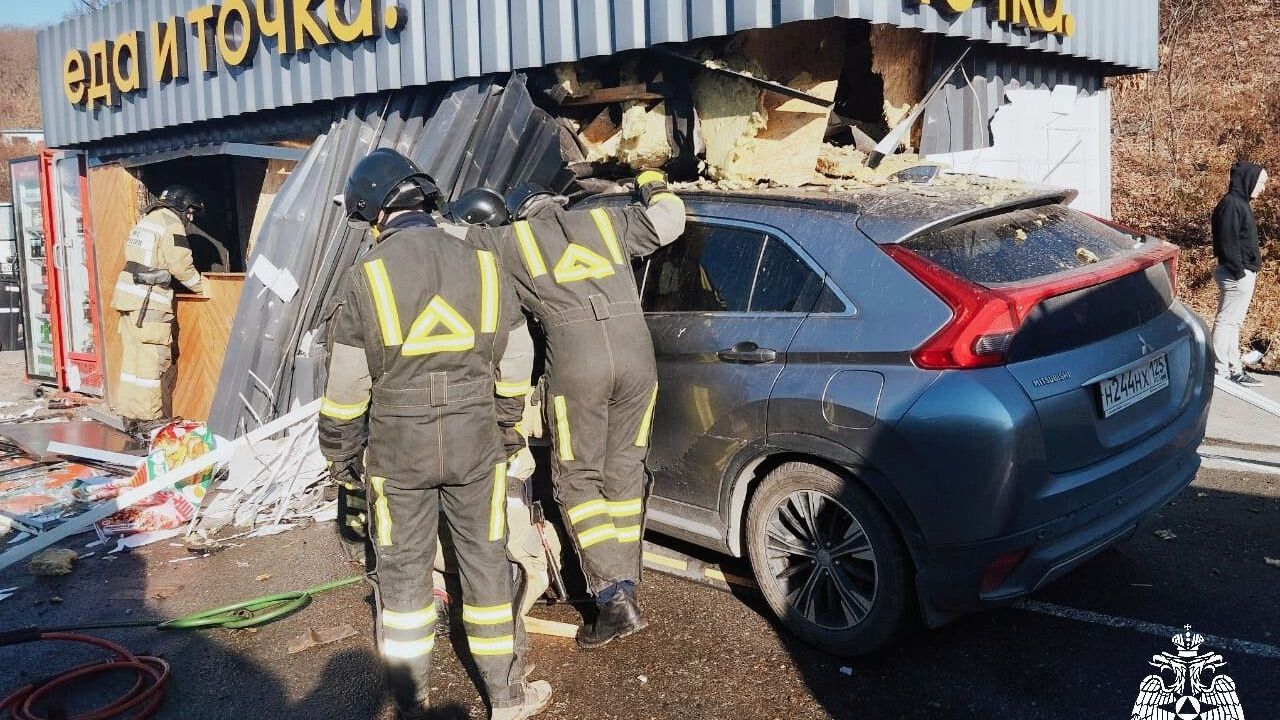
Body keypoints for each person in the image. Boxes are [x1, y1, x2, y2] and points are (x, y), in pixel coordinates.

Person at [318, 148, 551, 720]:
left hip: (399, 450)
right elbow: (518, 355)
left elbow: (348, 384)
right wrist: (504, 424)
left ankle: (411, 703)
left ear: (376, 212)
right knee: (486, 565)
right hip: (476, 441)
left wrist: (342, 455)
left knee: (401, 575)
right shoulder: (484, 264)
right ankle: (507, 696)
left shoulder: (367, 276)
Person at [456, 172, 686, 650]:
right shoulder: (605, 222)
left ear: (521, 213)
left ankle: (611, 598)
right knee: (624, 469)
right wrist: (651, 180)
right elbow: (671, 219)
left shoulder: (509, 240)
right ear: (560, 204)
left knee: (578, 478)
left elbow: (454, 241)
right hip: (639, 358)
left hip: (578, 366)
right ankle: (626, 582)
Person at [110, 186, 206, 434]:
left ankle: (130, 415)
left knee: (133, 361)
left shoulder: (147, 221)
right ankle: (149, 419)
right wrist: (203, 288)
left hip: (129, 299)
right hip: (148, 303)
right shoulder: (170, 223)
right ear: (181, 207)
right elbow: (181, 265)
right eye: (191, 212)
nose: (191, 218)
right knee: (152, 362)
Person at [1211, 161, 1268, 387]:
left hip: (1242, 271)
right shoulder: (1232, 205)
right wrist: (1239, 271)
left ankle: (1234, 369)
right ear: (1249, 180)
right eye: (1261, 183)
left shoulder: (1238, 204)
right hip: (1237, 273)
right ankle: (1220, 369)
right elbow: (1227, 242)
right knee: (1226, 322)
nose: (1263, 188)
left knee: (1232, 323)